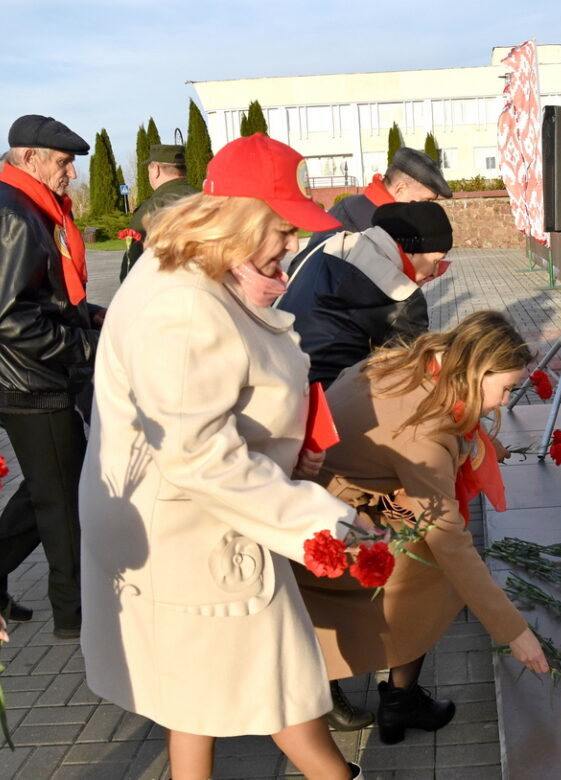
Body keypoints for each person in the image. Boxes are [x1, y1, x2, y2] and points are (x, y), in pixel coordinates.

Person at [79, 133, 363, 779]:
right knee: (279, 683)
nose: (292, 243)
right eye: (283, 227)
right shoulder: (184, 307)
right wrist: (324, 524)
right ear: (238, 220)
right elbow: (198, 453)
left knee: (199, 695)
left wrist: (282, 452)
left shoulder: (184, 274)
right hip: (196, 535)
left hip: (192, 527)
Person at [295, 310, 550, 745]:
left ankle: (360, 688)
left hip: (328, 500)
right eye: (506, 388)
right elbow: (448, 538)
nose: (507, 401)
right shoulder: (426, 433)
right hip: (335, 526)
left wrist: (482, 448)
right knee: (434, 568)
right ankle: (399, 699)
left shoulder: (403, 363)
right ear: (476, 370)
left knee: (432, 548)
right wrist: (514, 631)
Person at [0, 114, 103, 638]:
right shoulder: (10, 213)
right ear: (29, 158)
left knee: (46, 489)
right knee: (63, 503)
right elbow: (12, 319)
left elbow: (44, 295)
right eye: (64, 162)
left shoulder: (27, 206)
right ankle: (76, 619)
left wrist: (91, 315)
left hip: (38, 378)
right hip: (32, 384)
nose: (70, 172)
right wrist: (92, 346)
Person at [278, 200, 453, 389]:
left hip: (277, 371)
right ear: (413, 252)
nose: (436, 273)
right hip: (324, 400)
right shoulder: (403, 297)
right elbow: (417, 369)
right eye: (437, 261)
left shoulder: (326, 244)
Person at [293, 147, 452, 266]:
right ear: (400, 188)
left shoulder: (352, 205)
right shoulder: (374, 229)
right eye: (425, 201)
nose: (427, 209)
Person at [119, 144, 197, 281]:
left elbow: (133, 263)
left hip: (164, 291)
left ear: (156, 169)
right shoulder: (204, 200)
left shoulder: (152, 208)